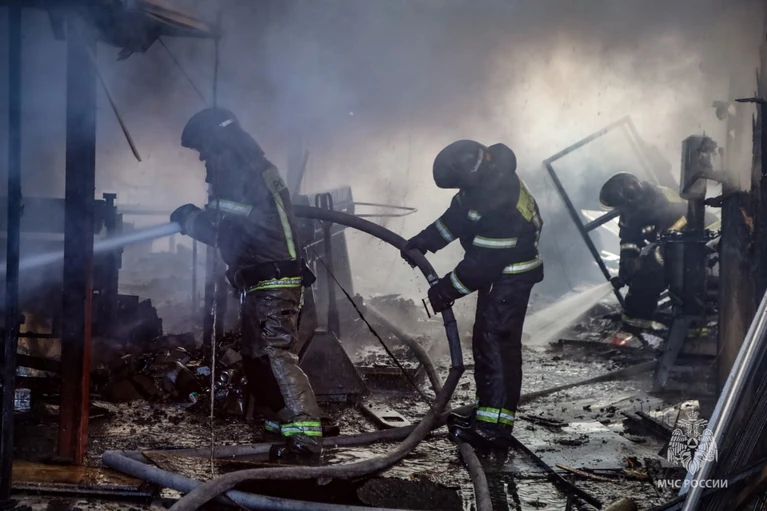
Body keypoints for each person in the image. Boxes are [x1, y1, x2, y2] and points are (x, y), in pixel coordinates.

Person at [170, 107, 324, 457]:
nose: (203, 159)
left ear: (216, 141)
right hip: (263, 275)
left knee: (274, 352)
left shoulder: (237, 172)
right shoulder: (249, 166)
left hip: (271, 276)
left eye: (203, 150)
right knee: (256, 355)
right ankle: (283, 421)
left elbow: (219, 229)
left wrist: (188, 219)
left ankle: (305, 434)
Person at [401, 140, 544, 450]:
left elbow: (483, 263)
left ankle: (493, 429)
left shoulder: (499, 197)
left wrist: (445, 290)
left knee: (496, 347)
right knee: (486, 342)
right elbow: (456, 219)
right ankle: (487, 417)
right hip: (501, 274)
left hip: (511, 276)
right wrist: (423, 241)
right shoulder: (483, 182)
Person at [600, 172, 696, 334]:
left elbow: (682, 226)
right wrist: (626, 267)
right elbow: (629, 240)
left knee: (673, 280)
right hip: (670, 245)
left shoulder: (662, 200)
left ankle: (693, 329)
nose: (620, 210)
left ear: (631, 199)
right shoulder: (630, 212)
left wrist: (649, 261)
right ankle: (634, 326)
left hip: (696, 242)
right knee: (643, 278)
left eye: (621, 206)